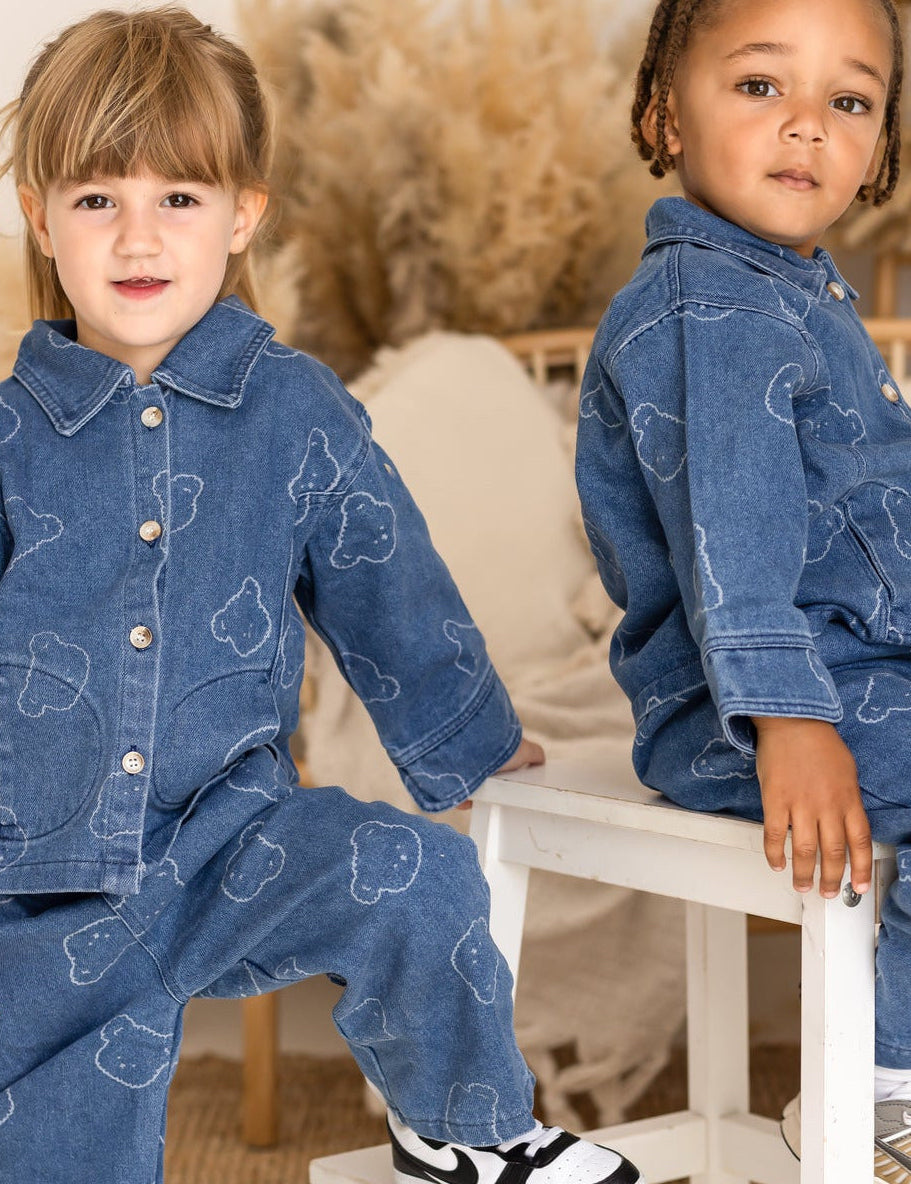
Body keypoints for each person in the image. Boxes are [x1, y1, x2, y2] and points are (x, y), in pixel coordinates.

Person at [0, 9, 642, 1184]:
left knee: (419, 876)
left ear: (243, 212)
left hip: (236, 844)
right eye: (97, 199)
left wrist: (473, 741)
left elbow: (382, 577)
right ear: (41, 216)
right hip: (36, 886)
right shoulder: (7, 440)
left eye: (179, 199)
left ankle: (463, 1129)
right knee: (60, 1131)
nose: (138, 235)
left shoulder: (292, 411)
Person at [575, 0, 911, 1174]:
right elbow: (735, 534)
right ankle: (880, 1094)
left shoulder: (797, 296)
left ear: (880, 148)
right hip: (747, 705)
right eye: (761, 86)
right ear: (666, 112)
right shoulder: (708, 307)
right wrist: (789, 716)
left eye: (850, 100)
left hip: (857, 673)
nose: (807, 126)